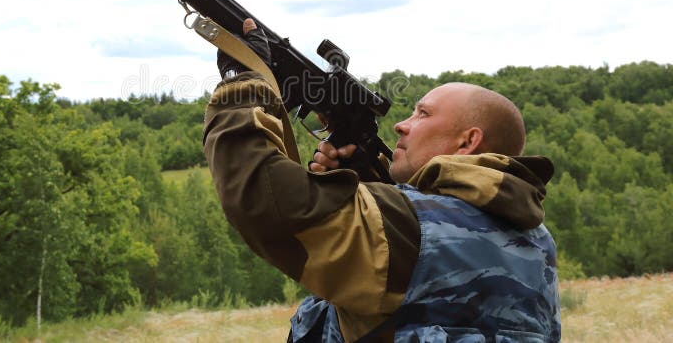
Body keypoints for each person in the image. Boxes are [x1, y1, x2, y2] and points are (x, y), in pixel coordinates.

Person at [204, 19, 561, 342]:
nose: (402, 125)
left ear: (468, 142)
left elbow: (266, 199)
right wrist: (371, 182)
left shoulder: (409, 229)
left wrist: (243, 80)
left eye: (423, 114)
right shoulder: (535, 241)